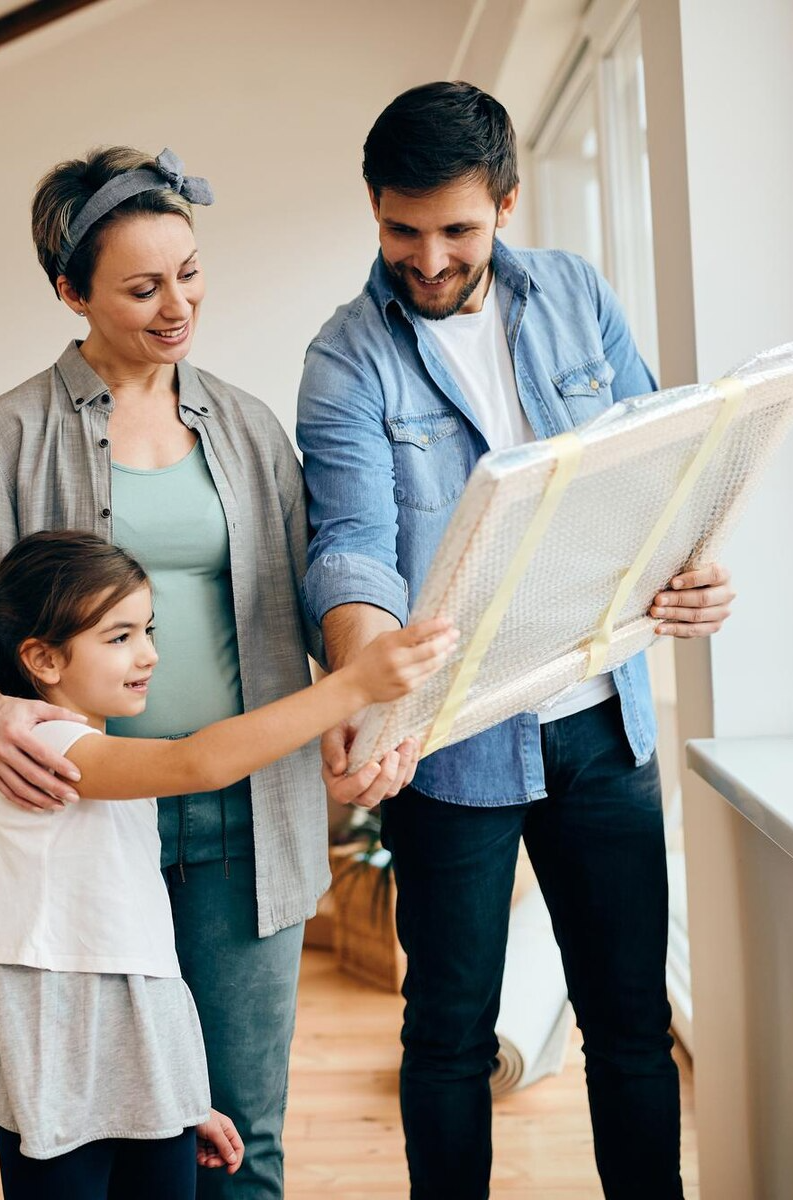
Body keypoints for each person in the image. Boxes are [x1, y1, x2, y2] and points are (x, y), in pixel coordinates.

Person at [296, 82, 736, 1199]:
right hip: (450, 747)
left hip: (599, 719)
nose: (429, 257)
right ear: (373, 207)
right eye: (402, 229)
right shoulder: (346, 358)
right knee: (449, 1032)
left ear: (506, 200)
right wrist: (367, 675)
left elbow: (658, 463)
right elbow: (352, 548)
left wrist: (694, 568)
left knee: (629, 1021)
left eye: (458, 229)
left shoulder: (578, 295)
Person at [0, 146, 359, 1196]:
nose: (179, 307)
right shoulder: (9, 436)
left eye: (191, 273)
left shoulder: (251, 430)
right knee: (114, 1127)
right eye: (141, 287)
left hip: (246, 821)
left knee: (242, 1132)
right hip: (90, 828)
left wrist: (362, 699)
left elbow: (320, 598)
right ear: (71, 291)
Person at [0, 529, 456, 1198]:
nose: (150, 654)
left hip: (145, 1058)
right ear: (43, 659)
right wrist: (353, 685)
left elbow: (141, 965)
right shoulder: (43, 746)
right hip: (60, 1058)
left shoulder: (102, 757)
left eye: (147, 630)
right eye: (119, 637)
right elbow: (197, 763)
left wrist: (184, 1094)